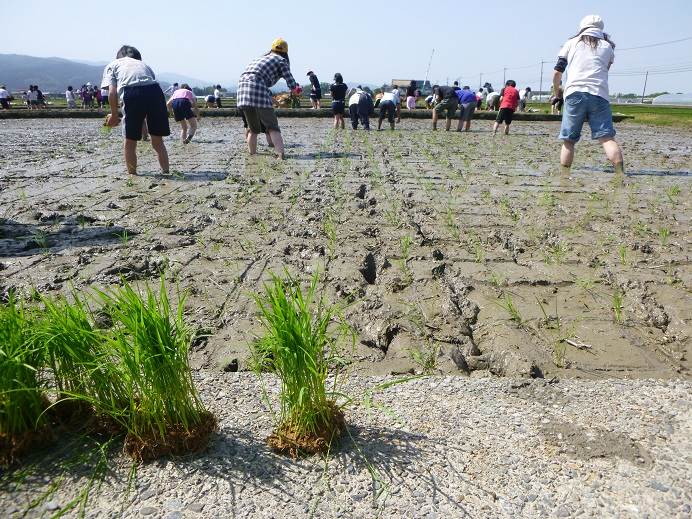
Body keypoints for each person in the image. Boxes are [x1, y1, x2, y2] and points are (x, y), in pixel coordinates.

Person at [554, 15, 624, 178]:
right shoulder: (608, 47)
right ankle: (621, 174)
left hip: (574, 93)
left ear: (582, 27)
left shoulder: (571, 43)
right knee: (607, 138)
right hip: (599, 95)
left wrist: (557, 92)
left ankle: (564, 177)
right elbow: (605, 69)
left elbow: (557, 71)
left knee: (569, 140)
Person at [102, 45, 171, 175]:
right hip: (155, 92)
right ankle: (166, 171)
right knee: (157, 140)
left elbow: (112, 92)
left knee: (130, 141)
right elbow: (152, 84)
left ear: (118, 56)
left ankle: (132, 175)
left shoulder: (113, 64)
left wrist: (114, 114)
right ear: (138, 56)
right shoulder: (143, 64)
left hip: (132, 92)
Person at [236, 38, 301, 159]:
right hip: (257, 88)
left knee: (253, 129)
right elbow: (291, 82)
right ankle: (280, 155)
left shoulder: (259, 58)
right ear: (285, 52)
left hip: (242, 90)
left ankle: (252, 156)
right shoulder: (281, 60)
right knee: (272, 127)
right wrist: (296, 90)